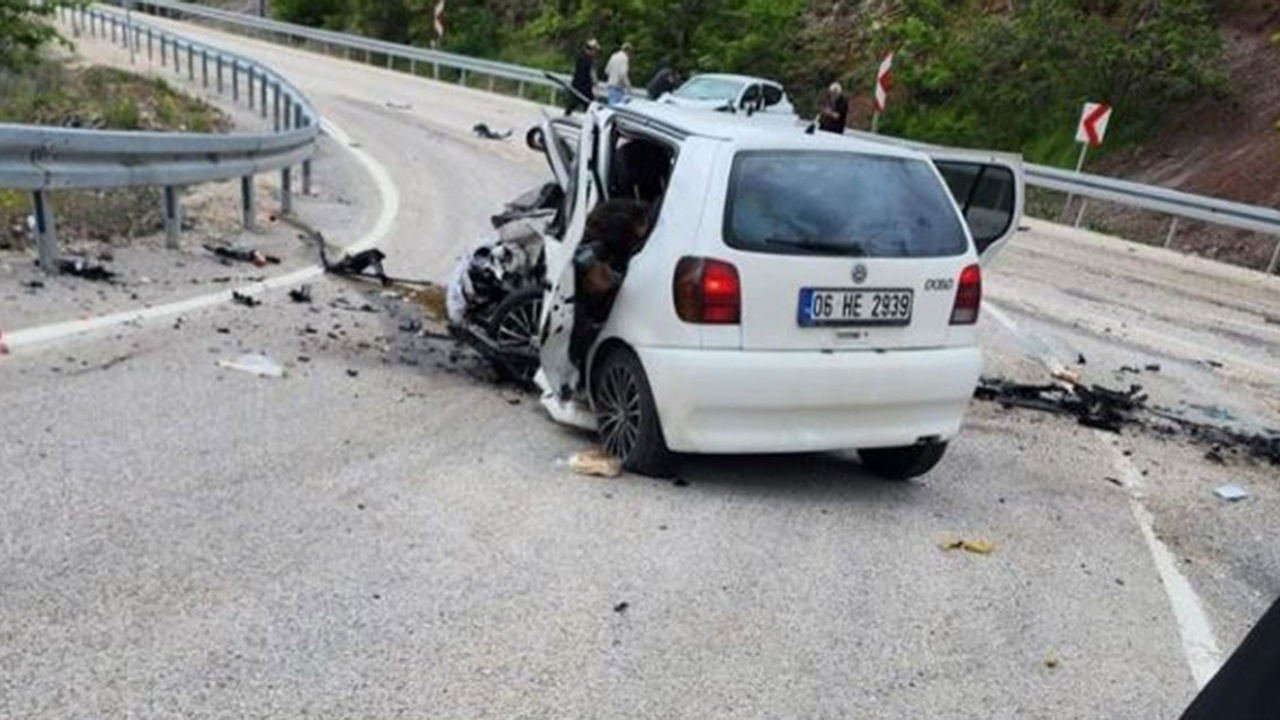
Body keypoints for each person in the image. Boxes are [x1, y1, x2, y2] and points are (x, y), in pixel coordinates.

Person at [569, 199, 651, 373]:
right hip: (589, 260)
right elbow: (616, 250)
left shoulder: (618, 209)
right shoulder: (622, 226)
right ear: (640, 221)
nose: (642, 234)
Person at [567, 38, 601, 115]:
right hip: (586, 87)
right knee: (589, 105)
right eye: (595, 50)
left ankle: (566, 115)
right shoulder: (591, 60)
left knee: (573, 103)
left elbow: (575, 70)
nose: (596, 52)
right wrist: (596, 83)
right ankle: (588, 121)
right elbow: (592, 73)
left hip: (576, 84)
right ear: (592, 49)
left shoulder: (579, 56)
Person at [604, 42, 633, 106]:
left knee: (611, 106)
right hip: (618, 88)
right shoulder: (624, 58)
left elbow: (606, 71)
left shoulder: (613, 56)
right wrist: (629, 87)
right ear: (628, 51)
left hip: (611, 85)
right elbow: (623, 74)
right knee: (617, 107)